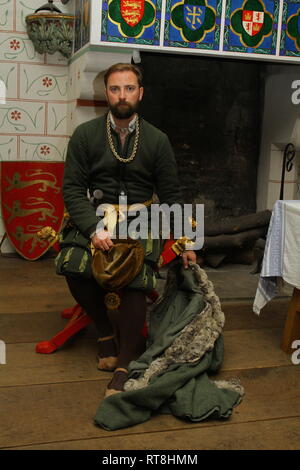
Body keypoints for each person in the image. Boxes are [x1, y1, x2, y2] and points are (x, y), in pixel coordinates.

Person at [63, 63, 196, 397]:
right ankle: (106, 332)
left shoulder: (158, 139)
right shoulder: (85, 135)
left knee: (136, 279)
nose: (122, 96)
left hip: (142, 218)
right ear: (105, 92)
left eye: (129, 88)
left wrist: (187, 241)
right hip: (98, 216)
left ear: (141, 92)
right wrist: (94, 229)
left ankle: (124, 365)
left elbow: (172, 195)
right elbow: (72, 190)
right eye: (114, 89)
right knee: (73, 265)